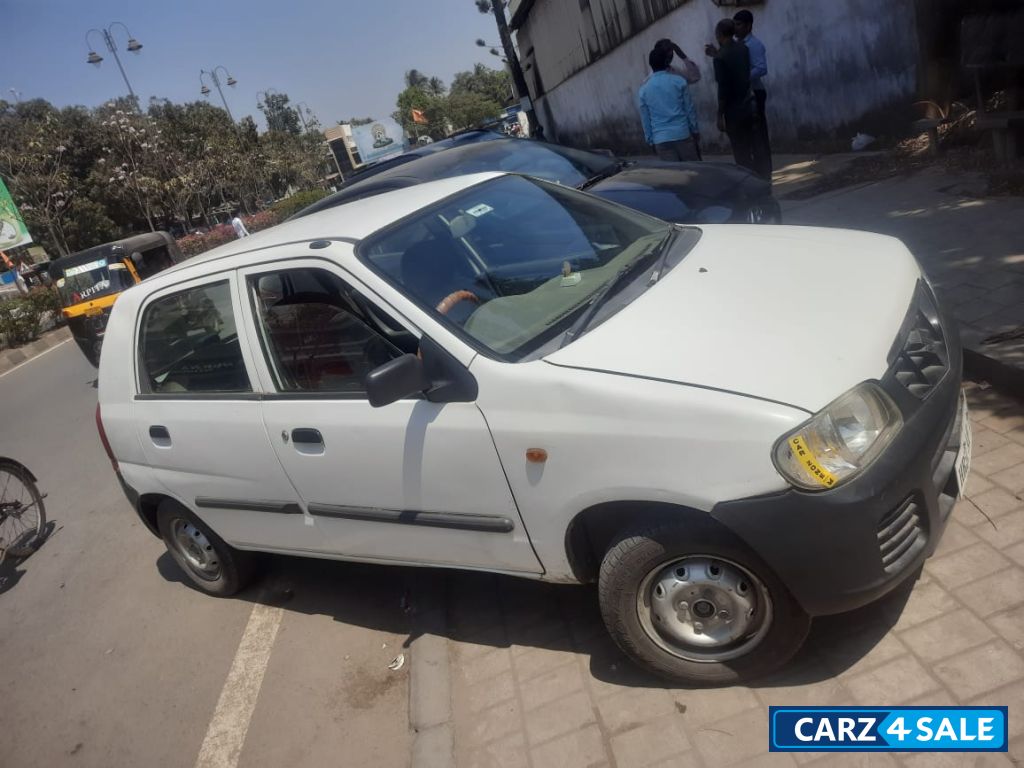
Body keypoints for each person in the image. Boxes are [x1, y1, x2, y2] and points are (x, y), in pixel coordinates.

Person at [706, 19, 756, 174]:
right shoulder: (743, 48)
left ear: (719, 34)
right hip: (748, 103)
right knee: (751, 147)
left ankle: (749, 184)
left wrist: (719, 115)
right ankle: (758, 178)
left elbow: (723, 88)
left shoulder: (720, 58)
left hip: (733, 109)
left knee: (740, 152)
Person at [637, 47, 701, 162]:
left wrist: (650, 140)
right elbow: (689, 109)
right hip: (682, 133)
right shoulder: (679, 81)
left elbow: (645, 118)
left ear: (651, 65)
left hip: (661, 139)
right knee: (694, 171)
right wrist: (695, 130)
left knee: (675, 176)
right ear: (666, 62)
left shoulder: (644, 90)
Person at [733, 10, 772, 179]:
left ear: (748, 26)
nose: (736, 28)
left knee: (759, 135)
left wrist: (743, 78)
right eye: (734, 24)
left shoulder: (754, 44)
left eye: (739, 24)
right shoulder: (737, 44)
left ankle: (764, 171)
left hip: (755, 92)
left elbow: (762, 68)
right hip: (744, 95)